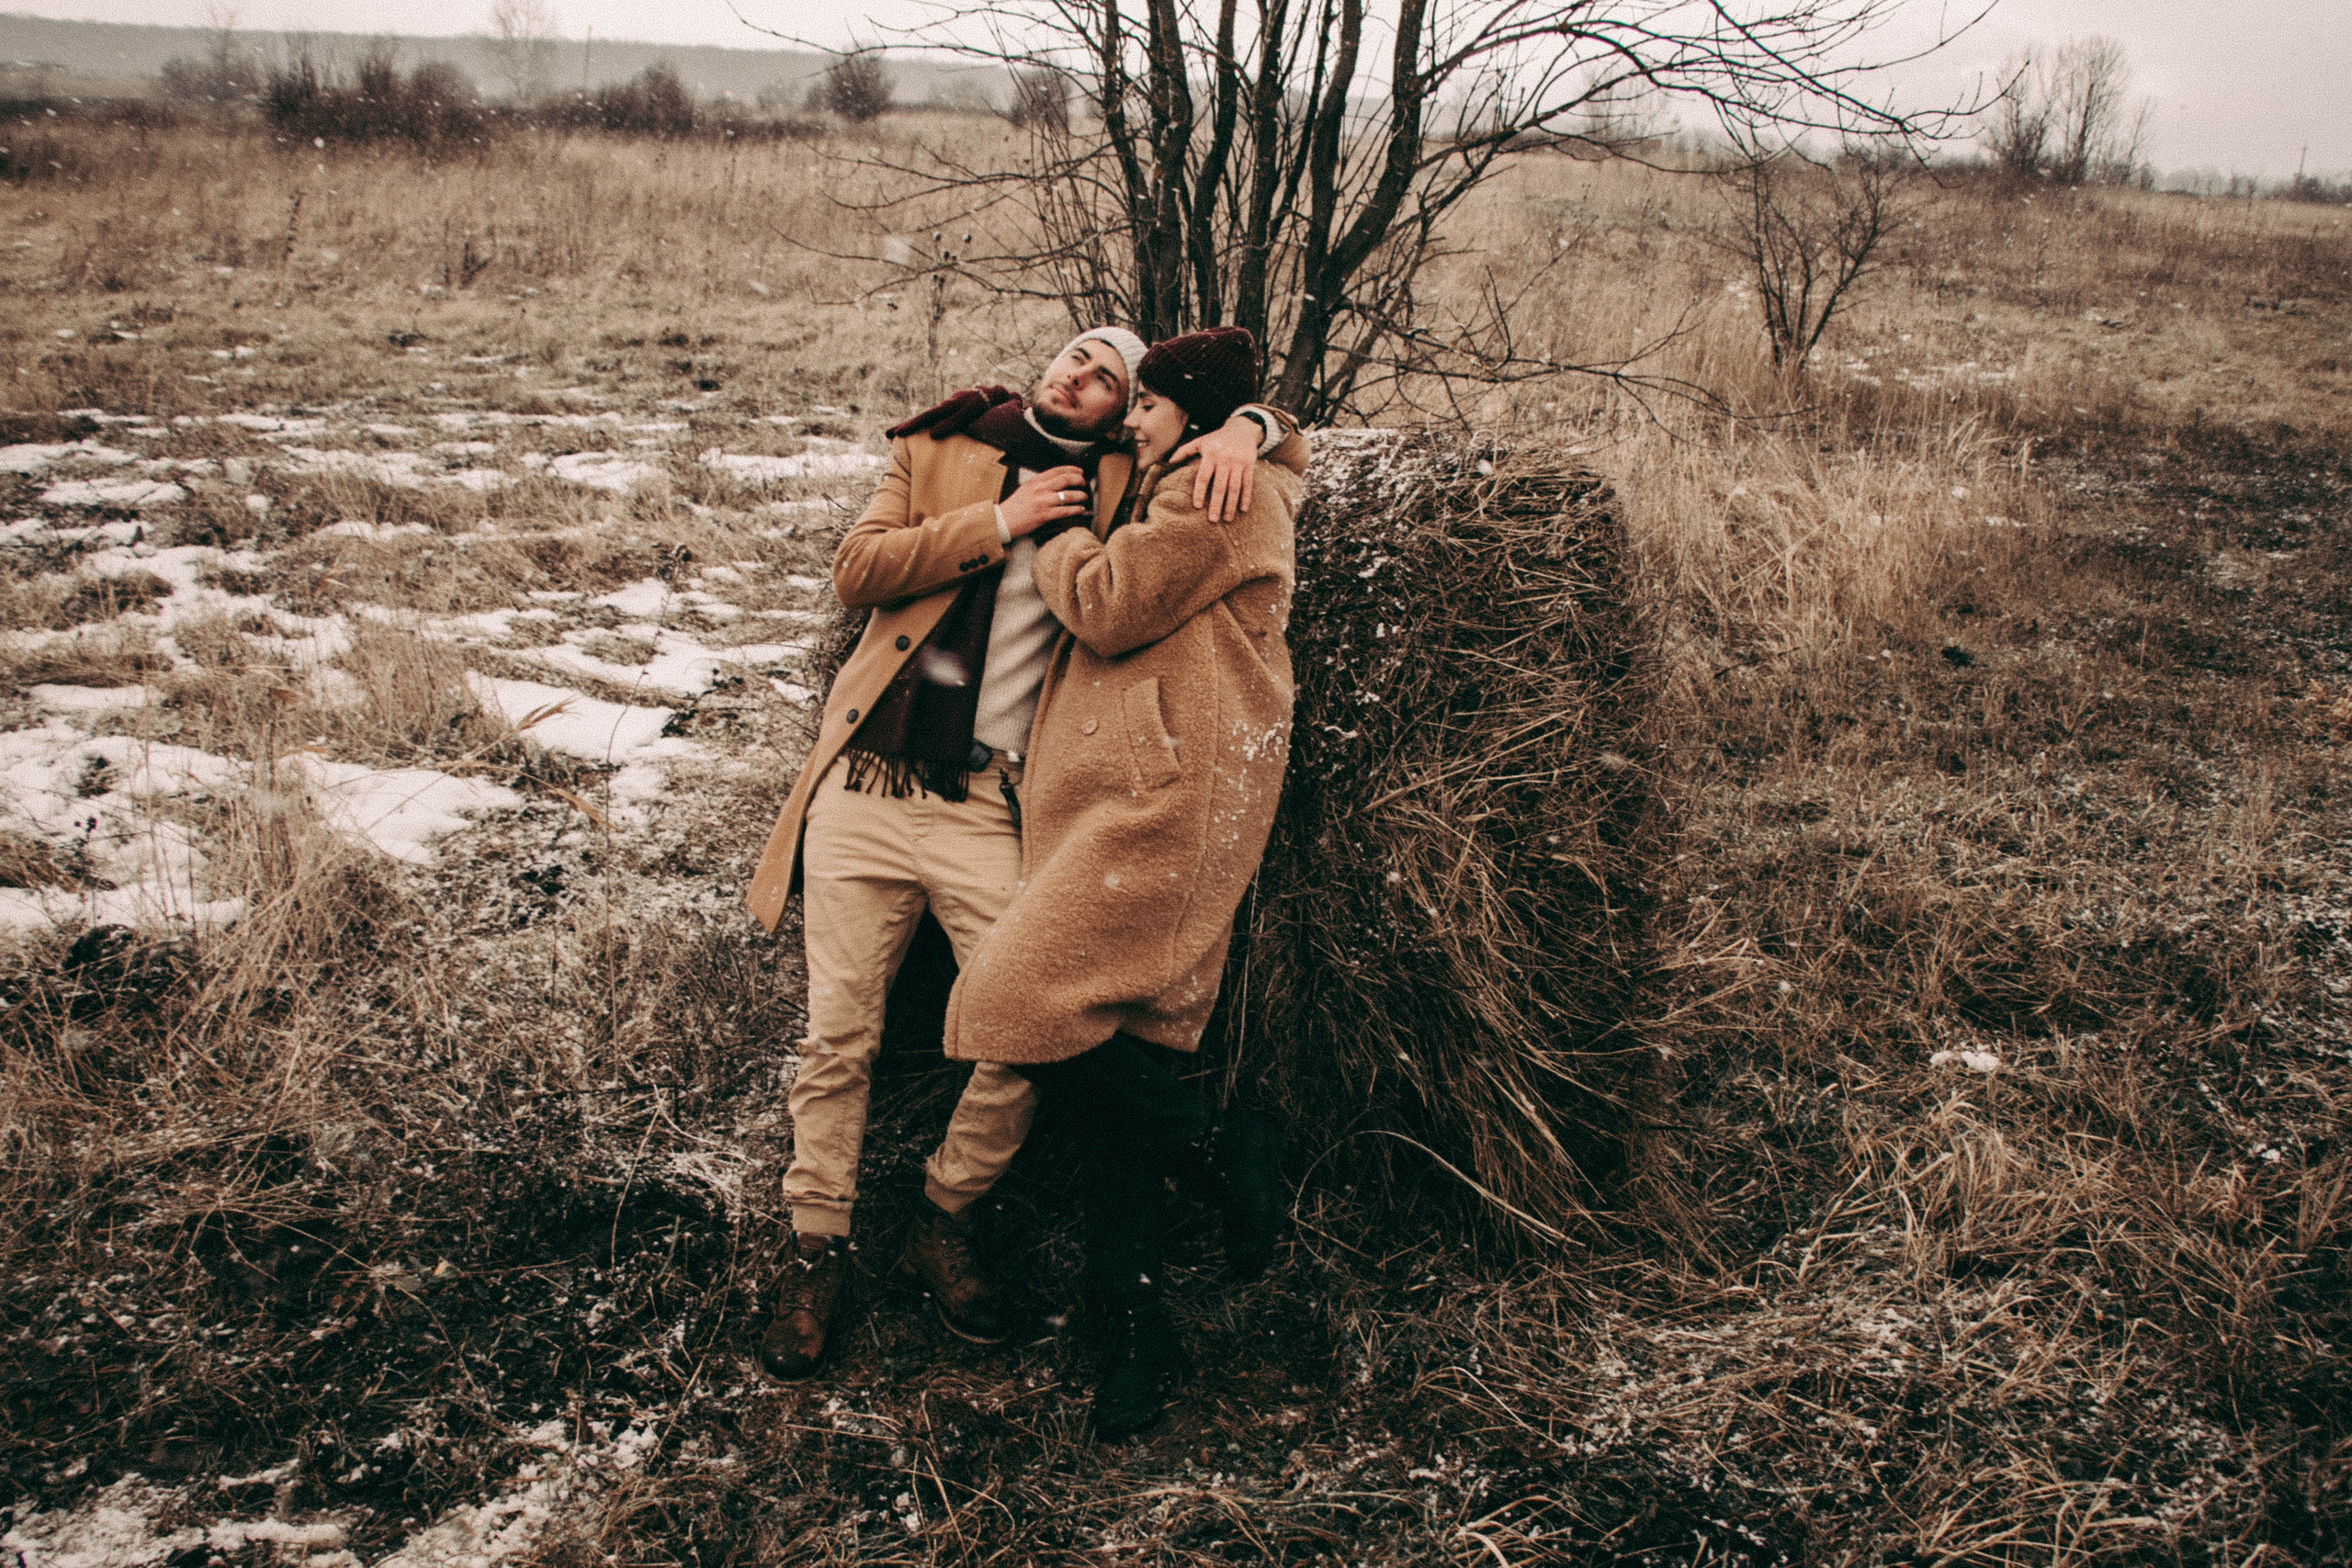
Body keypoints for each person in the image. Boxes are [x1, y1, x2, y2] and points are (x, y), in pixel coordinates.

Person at [740, 328, 1306, 1382]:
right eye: (1073, 356)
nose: (1079, 378)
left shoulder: (1141, 477)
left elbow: (1257, 452)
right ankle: (816, 1248)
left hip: (992, 803)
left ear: (1125, 414)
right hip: (866, 785)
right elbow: (857, 571)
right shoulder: (945, 445)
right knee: (837, 1036)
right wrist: (999, 522)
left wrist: (1252, 424)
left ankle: (943, 1215)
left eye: (1108, 380)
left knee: (1029, 1024)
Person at [942, 325, 1302, 1439]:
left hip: (1166, 805)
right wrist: (1267, 421)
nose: (1133, 417)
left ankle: (1223, 1147)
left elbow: (1105, 604)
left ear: (1188, 413)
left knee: (1010, 999)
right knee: (1128, 1093)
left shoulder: (1208, 490)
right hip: (1149, 799)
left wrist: (1055, 542)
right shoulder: (1219, 459)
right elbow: (1288, 439)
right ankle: (1133, 1340)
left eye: (1149, 403)